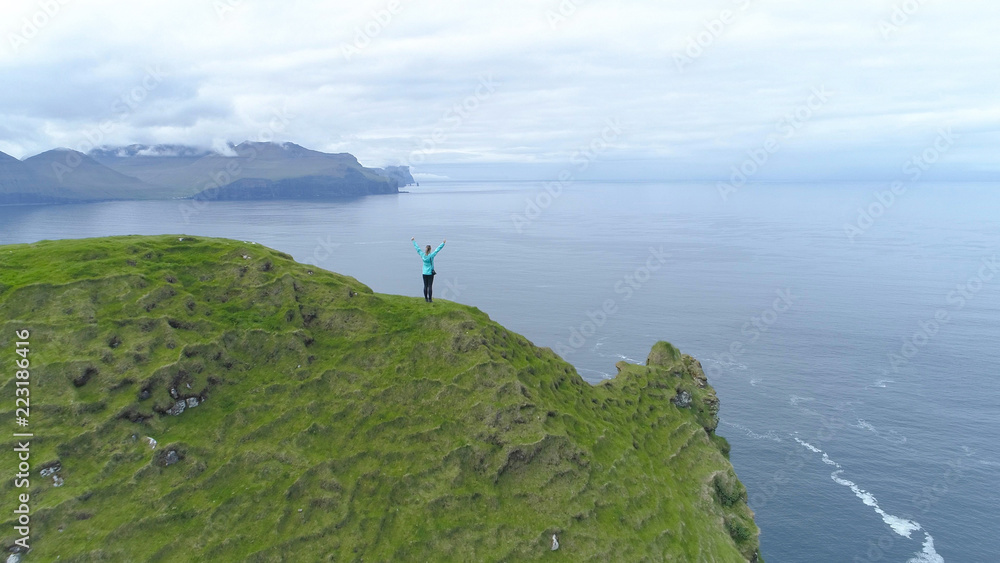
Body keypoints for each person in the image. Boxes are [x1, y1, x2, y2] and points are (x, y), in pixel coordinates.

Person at [412, 237, 445, 302]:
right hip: (430, 273)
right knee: (430, 286)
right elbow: (437, 250)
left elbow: (417, 249)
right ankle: (430, 299)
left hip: (424, 272)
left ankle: (426, 299)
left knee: (425, 286)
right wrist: (443, 243)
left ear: (426, 249)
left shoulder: (422, 255)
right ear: (430, 250)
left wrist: (413, 241)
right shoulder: (431, 255)